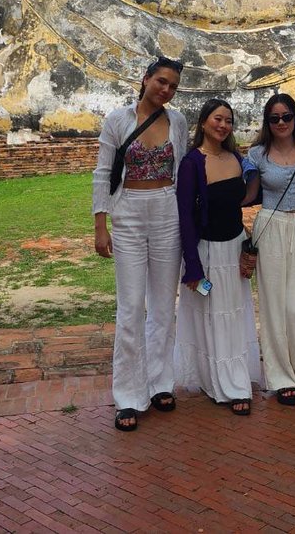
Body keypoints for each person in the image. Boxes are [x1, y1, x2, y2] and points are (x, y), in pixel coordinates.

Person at [92, 56, 190, 432]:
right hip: (129, 211)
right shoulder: (119, 120)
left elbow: (182, 171)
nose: (166, 90)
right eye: (161, 81)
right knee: (131, 307)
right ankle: (129, 395)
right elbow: (103, 173)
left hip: (167, 212)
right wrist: (100, 226)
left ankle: (160, 382)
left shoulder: (177, 121)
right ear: (146, 79)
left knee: (163, 306)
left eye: (173, 86)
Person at [175, 99, 261, 415]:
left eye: (228, 120)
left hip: (234, 248)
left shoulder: (237, 158)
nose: (223, 125)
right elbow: (185, 216)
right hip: (206, 251)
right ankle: (221, 383)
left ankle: (235, 377)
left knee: (233, 316)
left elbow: (244, 199)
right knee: (211, 317)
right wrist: (192, 265)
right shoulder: (192, 163)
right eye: (217, 119)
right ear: (204, 122)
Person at [247, 94, 295, 406]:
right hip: (271, 225)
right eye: (274, 118)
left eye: (286, 116)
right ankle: (281, 378)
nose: (281, 123)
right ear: (267, 121)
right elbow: (246, 194)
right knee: (274, 306)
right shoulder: (257, 154)